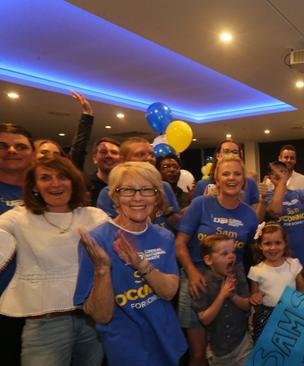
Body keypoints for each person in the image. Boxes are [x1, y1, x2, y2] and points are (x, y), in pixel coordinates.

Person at [74, 161, 187, 365]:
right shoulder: (95, 241)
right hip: (127, 351)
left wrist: (141, 265)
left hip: (168, 342)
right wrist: (102, 269)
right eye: (127, 190)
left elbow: (169, 292)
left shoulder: (164, 236)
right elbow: (101, 316)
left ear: (157, 196)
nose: (138, 198)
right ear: (115, 196)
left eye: (147, 190)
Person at [0, 156, 107, 366]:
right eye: (45, 177)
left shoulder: (95, 216)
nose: (55, 183)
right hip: (44, 325)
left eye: (62, 176)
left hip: (91, 320)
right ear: (34, 186)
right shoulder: (19, 218)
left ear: (73, 182)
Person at [176, 155, 258, 366]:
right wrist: (193, 273)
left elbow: (252, 251)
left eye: (237, 174)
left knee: (230, 343)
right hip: (197, 280)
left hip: (232, 281)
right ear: (217, 179)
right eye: (226, 173)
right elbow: (180, 244)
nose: (232, 178)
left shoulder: (249, 214)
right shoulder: (200, 204)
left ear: (244, 181)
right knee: (198, 353)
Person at [248, 222, 304, 341]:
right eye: (267, 243)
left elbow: (302, 285)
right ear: (260, 246)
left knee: (290, 345)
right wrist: (254, 298)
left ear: (285, 244)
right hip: (267, 317)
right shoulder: (256, 271)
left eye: (278, 242)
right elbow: (254, 295)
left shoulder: (293, 264)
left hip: (291, 314)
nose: (273, 248)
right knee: (269, 347)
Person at [0, 122, 34, 365]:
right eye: (3, 145)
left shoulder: (47, 190)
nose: (12, 150)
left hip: (37, 305)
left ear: (32, 153)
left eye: (20, 146)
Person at [192, 234, 252, 366]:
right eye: (224, 253)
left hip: (243, 345)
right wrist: (222, 295)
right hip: (218, 353)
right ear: (208, 260)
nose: (232, 256)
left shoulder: (238, 273)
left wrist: (232, 296)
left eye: (233, 252)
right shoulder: (202, 283)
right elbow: (205, 319)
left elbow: (247, 305)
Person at [96, 137, 180, 227]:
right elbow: (112, 232)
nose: (149, 159)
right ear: (122, 160)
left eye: (152, 155)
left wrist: (166, 210)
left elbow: (178, 226)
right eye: (140, 154)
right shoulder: (110, 192)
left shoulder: (164, 186)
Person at [265, 161, 304, 292]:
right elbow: (275, 210)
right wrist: (282, 183)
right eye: (275, 173)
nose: (279, 176)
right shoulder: (267, 196)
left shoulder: (298, 194)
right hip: (283, 261)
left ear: (289, 174)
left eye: (283, 172)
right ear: (269, 177)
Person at [193, 139, 264, 221]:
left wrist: (263, 201)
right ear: (218, 155)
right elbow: (195, 218)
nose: (230, 155)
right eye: (226, 151)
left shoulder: (250, 183)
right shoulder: (202, 185)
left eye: (235, 152)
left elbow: (255, 219)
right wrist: (205, 202)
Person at [87, 137, 121, 205]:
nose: (109, 155)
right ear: (94, 158)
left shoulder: (129, 184)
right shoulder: (85, 186)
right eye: (103, 152)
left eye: (114, 152)